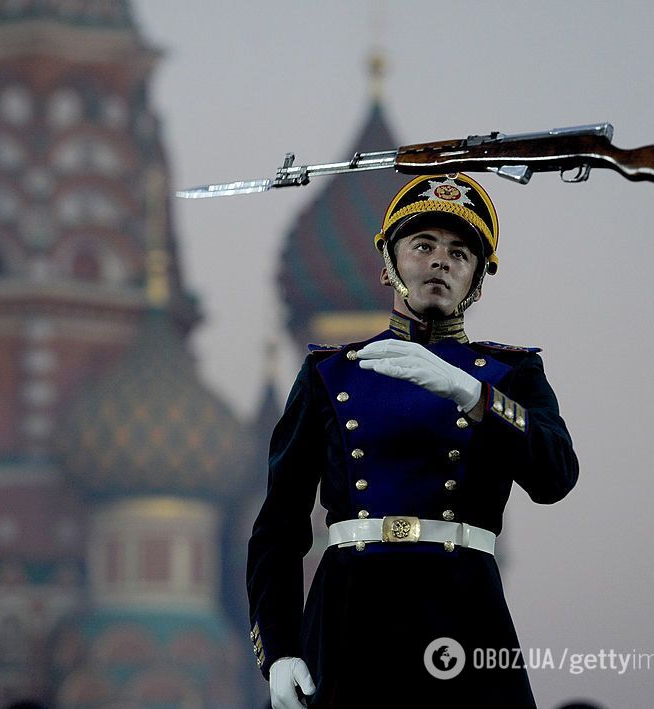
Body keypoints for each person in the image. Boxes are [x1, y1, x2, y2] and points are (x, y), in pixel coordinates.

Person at [246, 173, 579, 708]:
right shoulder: (329, 373)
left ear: (476, 280)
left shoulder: (511, 374)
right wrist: (279, 649)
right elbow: (279, 527)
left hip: (463, 611)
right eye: (422, 245)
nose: (440, 261)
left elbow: (556, 475)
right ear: (388, 264)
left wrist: (474, 395)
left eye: (460, 252)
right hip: (350, 611)